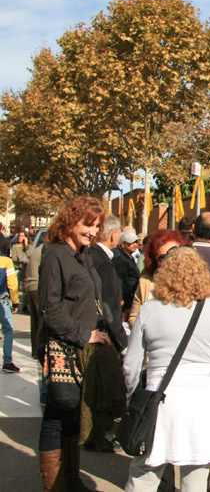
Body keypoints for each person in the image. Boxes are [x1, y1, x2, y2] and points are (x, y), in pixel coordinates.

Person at [122, 246, 210, 491]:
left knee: (144, 473)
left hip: (161, 400)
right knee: (196, 477)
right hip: (206, 402)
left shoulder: (149, 310)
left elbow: (130, 367)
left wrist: (134, 398)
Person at [38, 196, 113, 491]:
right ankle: (54, 484)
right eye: (87, 224)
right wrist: (85, 335)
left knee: (73, 415)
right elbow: (50, 307)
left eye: (96, 226)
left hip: (80, 349)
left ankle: (71, 478)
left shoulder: (83, 255)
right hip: (62, 346)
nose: (93, 231)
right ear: (70, 222)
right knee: (58, 413)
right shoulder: (55, 255)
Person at [84, 215, 128, 453]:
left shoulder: (89, 256)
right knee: (105, 389)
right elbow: (110, 307)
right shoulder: (102, 261)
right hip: (102, 333)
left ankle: (94, 434)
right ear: (113, 234)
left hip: (90, 329)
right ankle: (97, 437)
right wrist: (123, 342)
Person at [128, 229, 191, 327]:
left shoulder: (196, 281)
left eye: (174, 256)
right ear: (154, 260)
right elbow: (134, 318)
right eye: (163, 257)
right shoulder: (146, 282)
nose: (169, 261)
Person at [1, 236, 20, 373]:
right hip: (2, 300)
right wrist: (15, 302)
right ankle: (7, 362)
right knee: (7, 330)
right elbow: (12, 285)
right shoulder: (7, 261)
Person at [113, 230, 141, 316]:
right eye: (131, 243)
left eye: (136, 242)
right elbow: (121, 281)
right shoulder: (121, 260)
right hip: (125, 302)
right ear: (122, 244)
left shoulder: (129, 258)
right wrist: (124, 302)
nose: (135, 245)